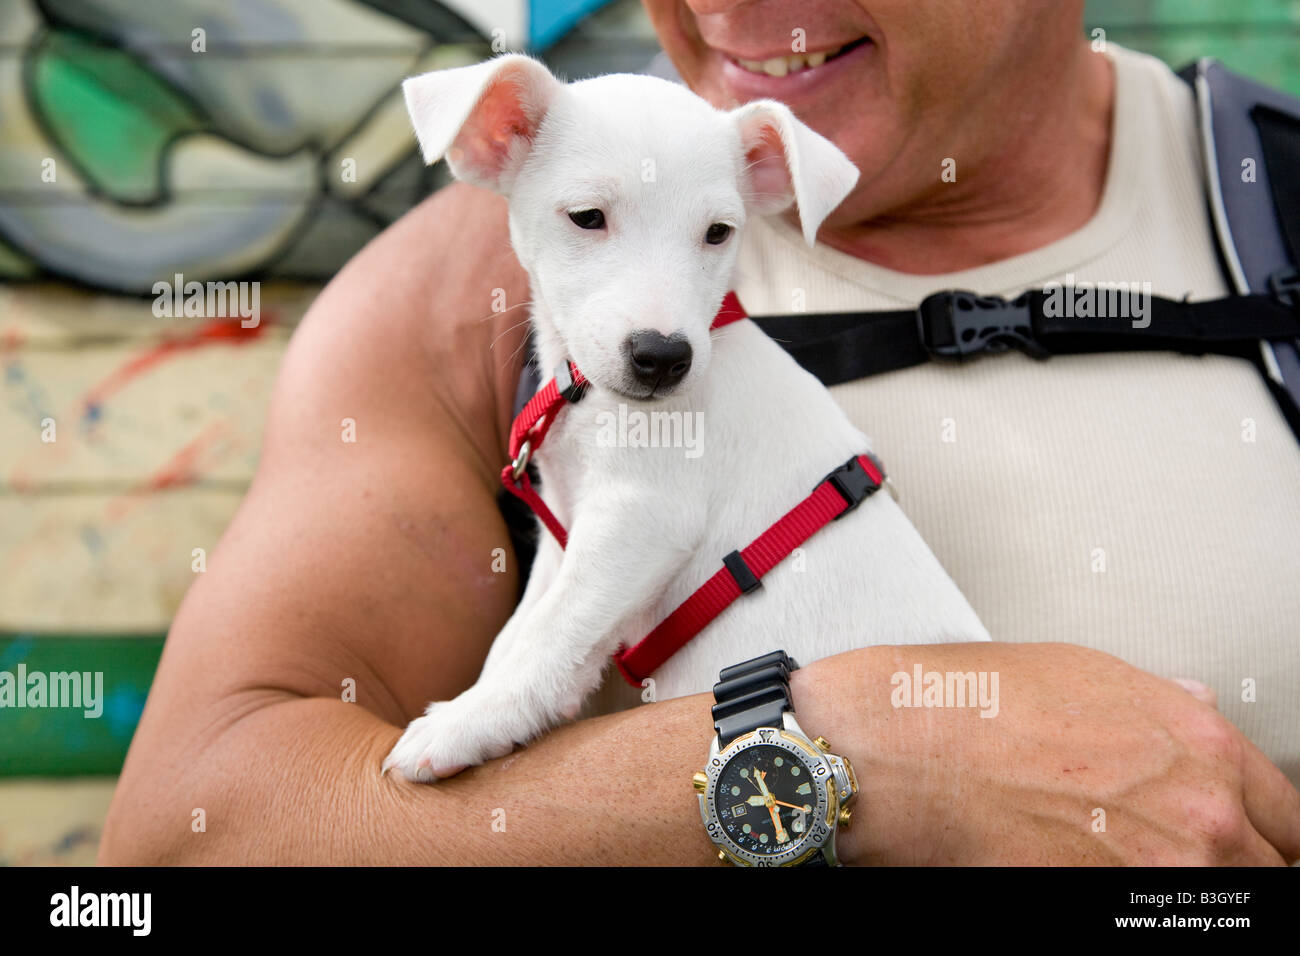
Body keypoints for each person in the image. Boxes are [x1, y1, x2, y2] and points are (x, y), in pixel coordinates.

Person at [98, 0, 1300, 865]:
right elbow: (183, 841)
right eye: (589, 221)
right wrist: (859, 760)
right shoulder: (461, 294)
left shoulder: (1272, 204)